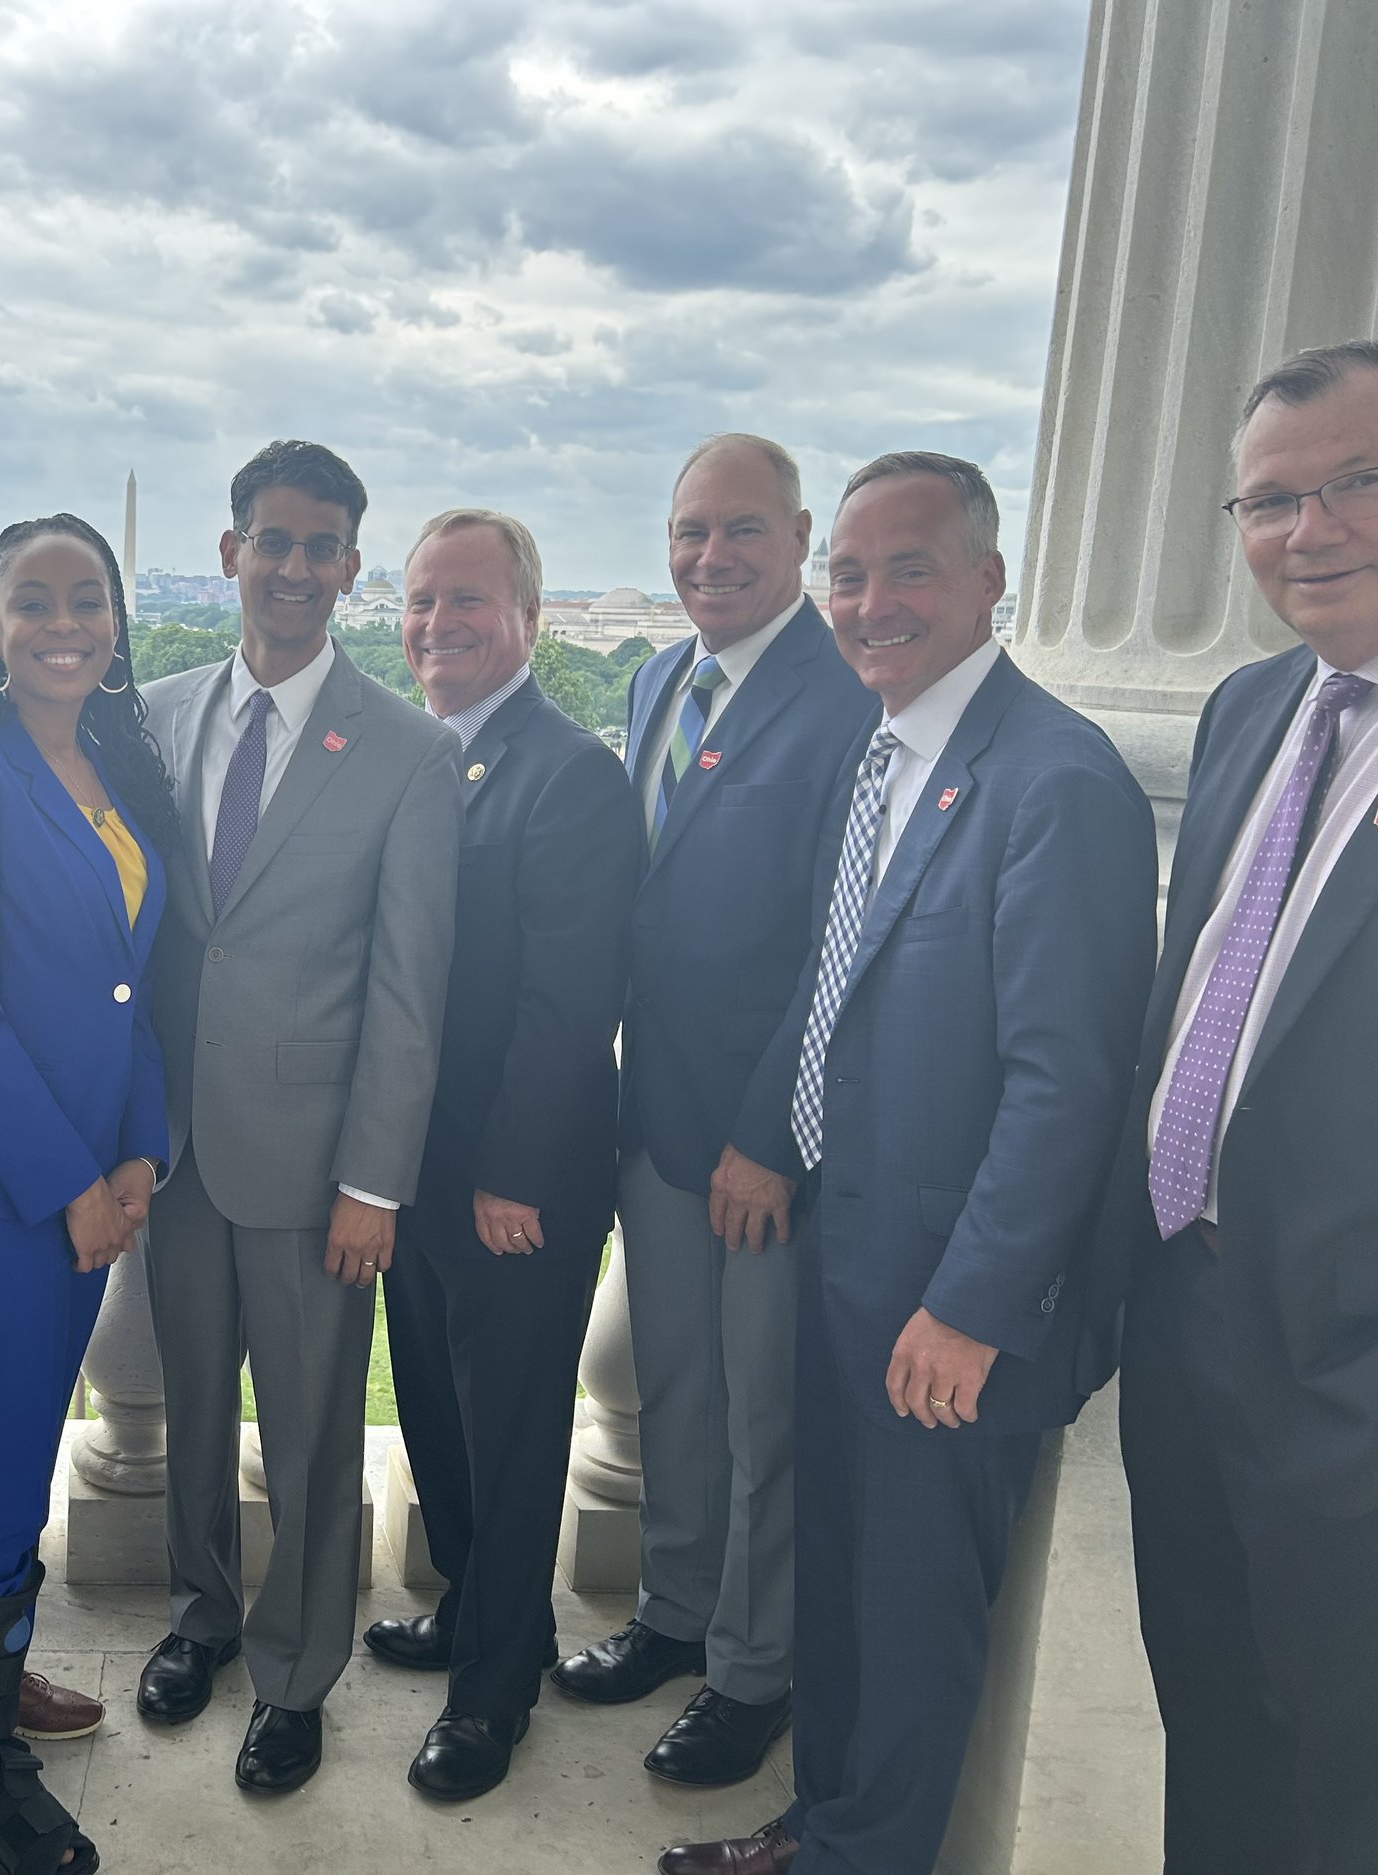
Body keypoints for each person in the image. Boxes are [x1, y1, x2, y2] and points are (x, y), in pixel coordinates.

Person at [660, 454, 1155, 1875]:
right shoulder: (885, 755)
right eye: (852, 574)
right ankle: (823, 1824)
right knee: (847, 1585)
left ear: (992, 580)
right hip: (846, 1250)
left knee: (917, 1605)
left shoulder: (1056, 781)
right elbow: (835, 984)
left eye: (911, 568)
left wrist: (974, 1302)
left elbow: (1067, 1080)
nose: (872, 603)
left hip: (943, 1300)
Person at [135, 439, 460, 1793]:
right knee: (189, 1405)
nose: (295, 569)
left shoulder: (407, 749)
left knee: (315, 1426)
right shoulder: (150, 713)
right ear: (231, 553)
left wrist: (375, 1181)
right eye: (272, 541)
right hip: (172, 1148)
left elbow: (408, 985)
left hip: (318, 1161)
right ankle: (203, 1612)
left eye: (323, 547)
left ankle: (297, 1669)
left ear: (351, 569)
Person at [553, 437, 875, 1788]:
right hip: (654, 1119)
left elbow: (836, 942)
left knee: (763, 1419)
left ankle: (753, 1670)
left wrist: (773, 1134)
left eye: (741, 531)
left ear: (799, 537)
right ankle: (675, 1615)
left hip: (761, 1144)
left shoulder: (849, 694)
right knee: (677, 1390)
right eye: (689, 532)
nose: (710, 557)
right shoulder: (653, 676)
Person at [1101, 340, 1378, 1875]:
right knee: (1209, 1713)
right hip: (1188, 1321)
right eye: (1270, 501)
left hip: (1349, 1373)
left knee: (1349, 1769)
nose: (1310, 530)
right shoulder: (1252, 706)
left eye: (1355, 483)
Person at [0, 512, 175, 1873]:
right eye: (32, 598)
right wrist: (71, 1182)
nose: (65, 619)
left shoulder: (110, 771)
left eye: (88, 596)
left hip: (84, 1186)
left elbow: (133, 989)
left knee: (15, 1460)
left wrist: (142, 1152)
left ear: (115, 623)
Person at [365, 508, 640, 1801]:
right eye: (421, 601)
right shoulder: (422, 755)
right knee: (436, 1406)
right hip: (410, 1166)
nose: (437, 625)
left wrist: (516, 1171)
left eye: (467, 601)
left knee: (516, 1426)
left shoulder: (569, 772)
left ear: (527, 614)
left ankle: (493, 1695)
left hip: (511, 1179)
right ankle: (483, 1610)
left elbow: (570, 999)